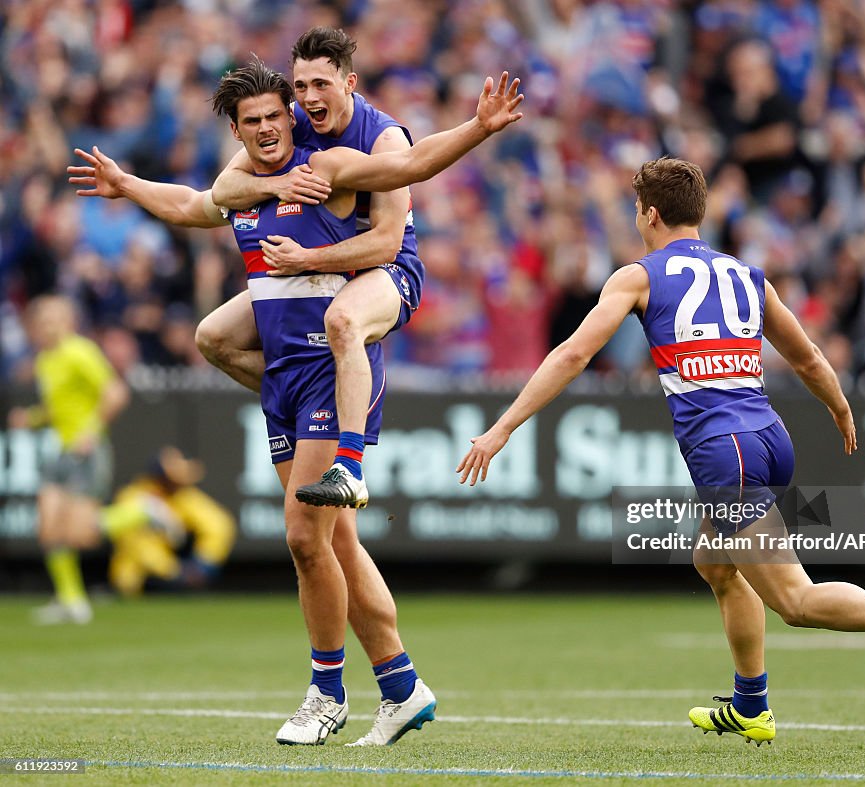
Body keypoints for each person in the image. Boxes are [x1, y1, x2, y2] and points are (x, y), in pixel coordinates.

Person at [68, 57, 523, 746]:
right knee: (330, 535)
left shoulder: (327, 166)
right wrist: (128, 185)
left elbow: (409, 167)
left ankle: (327, 691)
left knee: (304, 535)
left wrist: (478, 127)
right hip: (284, 370)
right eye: (251, 123)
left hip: (327, 361)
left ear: (294, 116)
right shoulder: (248, 181)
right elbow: (196, 204)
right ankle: (401, 686)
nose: (267, 129)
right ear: (237, 129)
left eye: (276, 117)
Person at [456, 157, 865, 746]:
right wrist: (839, 406)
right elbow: (806, 357)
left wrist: (502, 428)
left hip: (724, 451)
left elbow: (573, 356)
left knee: (795, 600)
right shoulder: (749, 276)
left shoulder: (638, 276)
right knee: (715, 562)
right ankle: (752, 704)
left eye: (636, 212)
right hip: (770, 439)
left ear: (650, 215)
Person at [205, 27, 424, 510]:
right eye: (300, 87)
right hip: (326, 273)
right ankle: (307, 401)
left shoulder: (382, 138)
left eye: (320, 85)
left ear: (350, 83)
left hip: (390, 270)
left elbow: (387, 242)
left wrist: (307, 259)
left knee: (343, 321)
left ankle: (349, 463)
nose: (307, 98)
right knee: (212, 337)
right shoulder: (292, 122)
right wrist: (280, 184)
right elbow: (224, 190)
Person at [8, 295, 130, 625]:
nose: (47, 326)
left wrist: (90, 432)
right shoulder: (46, 360)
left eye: (54, 318)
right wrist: (32, 418)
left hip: (86, 451)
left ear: (68, 321)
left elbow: (115, 392)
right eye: (42, 320)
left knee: (80, 533)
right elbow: (58, 409)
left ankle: (143, 513)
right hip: (62, 450)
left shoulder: (79, 351)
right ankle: (72, 601)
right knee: (48, 528)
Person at [106, 446, 236, 596]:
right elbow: (137, 547)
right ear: (160, 478)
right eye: (174, 478)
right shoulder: (133, 498)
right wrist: (174, 571)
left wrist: (203, 564)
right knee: (128, 574)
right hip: (140, 581)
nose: (181, 482)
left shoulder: (183, 496)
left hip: (177, 576)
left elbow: (218, 525)